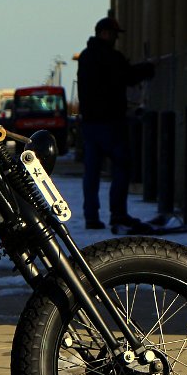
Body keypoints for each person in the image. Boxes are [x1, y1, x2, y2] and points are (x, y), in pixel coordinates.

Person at [76, 16, 155, 231]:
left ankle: (91, 216)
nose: (115, 39)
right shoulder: (110, 56)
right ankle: (118, 213)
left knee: (91, 172)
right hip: (111, 123)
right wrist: (146, 70)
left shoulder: (86, 57)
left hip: (90, 123)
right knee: (122, 166)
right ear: (104, 33)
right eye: (113, 35)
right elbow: (127, 76)